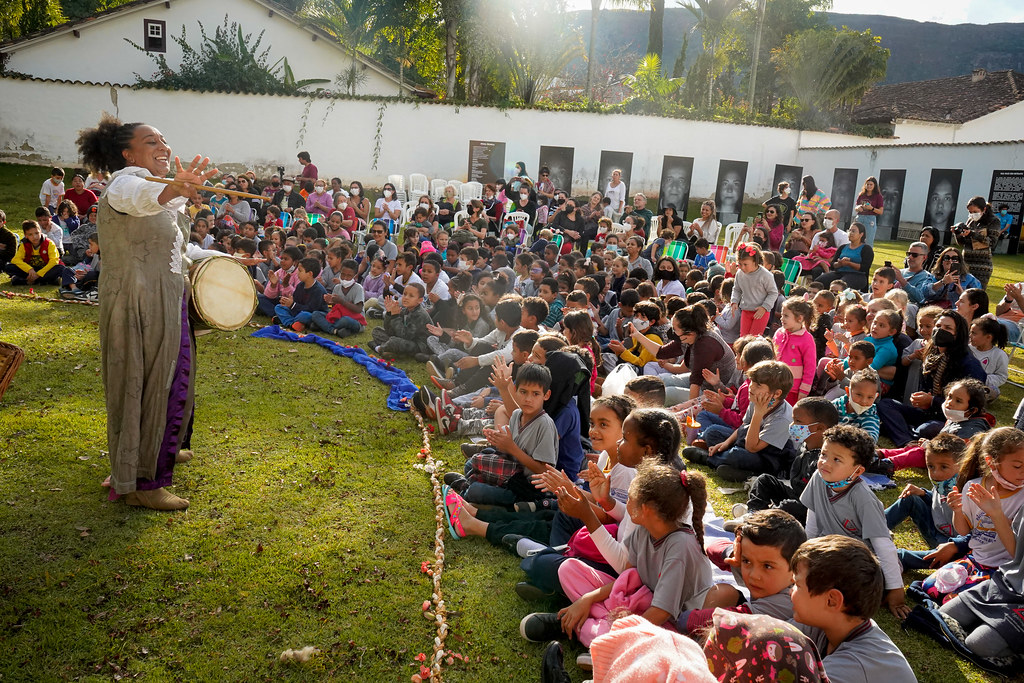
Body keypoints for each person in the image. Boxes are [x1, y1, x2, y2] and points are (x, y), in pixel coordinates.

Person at [76, 115, 218, 510]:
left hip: (165, 297)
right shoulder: (126, 183)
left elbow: (174, 248)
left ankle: (155, 452)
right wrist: (172, 188)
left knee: (164, 381)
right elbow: (137, 198)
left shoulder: (159, 190)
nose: (163, 147)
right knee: (143, 384)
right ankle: (141, 481)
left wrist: (227, 261)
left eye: (164, 139)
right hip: (139, 301)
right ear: (128, 154)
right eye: (151, 141)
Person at [519, 462, 712, 649]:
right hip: (638, 602)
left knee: (639, 639)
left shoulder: (680, 546)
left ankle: (589, 629)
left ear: (645, 508)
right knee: (568, 569)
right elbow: (627, 578)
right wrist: (587, 598)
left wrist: (623, 628)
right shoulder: (644, 530)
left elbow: (661, 613)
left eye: (629, 498)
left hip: (668, 624)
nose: (626, 503)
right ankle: (595, 625)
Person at [800, 425, 908, 617]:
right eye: (824, 454)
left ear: (857, 471)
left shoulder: (863, 498)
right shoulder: (818, 478)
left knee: (847, 585)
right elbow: (812, 525)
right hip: (830, 552)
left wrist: (896, 590)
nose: (825, 463)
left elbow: (883, 546)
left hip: (861, 562)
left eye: (837, 459)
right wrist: (803, 555)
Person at [790, 535, 917, 680]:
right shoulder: (831, 623)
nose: (790, 591)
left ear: (832, 601)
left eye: (797, 585)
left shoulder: (854, 666)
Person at [921, 427, 1024, 603]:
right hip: (974, 560)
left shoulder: (1021, 497)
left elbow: (1016, 552)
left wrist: (996, 514)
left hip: (1003, 571)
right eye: (1017, 466)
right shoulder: (973, 487)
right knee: (929, 587)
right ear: (991, 462)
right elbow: (963, 531)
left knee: (951, 600)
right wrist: (957, 510)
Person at [877, 310, 986, 446]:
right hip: (927, 413)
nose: (940, 331)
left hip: (951, 419)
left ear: (958, 334)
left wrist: (932, 401)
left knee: (927, 429)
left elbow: (969, 407)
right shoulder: (932, 355)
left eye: (948, 328)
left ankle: (901, 431)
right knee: (885, 404)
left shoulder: (968, 364)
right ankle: (907, 439)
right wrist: (922, 399)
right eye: (938, 326)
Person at [685, 360, 795, 482]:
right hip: (748, 441)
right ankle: (732, 466)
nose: (751, 386)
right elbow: (743, 427)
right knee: (713, 433)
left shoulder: (783, 418)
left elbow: (751, 448)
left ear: (777, 393)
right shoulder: (756, 398)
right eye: (752, 381)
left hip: (769, 458)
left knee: (737, 455)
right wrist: (726, 443)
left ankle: (709, 459)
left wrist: (758, 413)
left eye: (758, 385)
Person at [885, 432, 968, 570]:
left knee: (955, 559)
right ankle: (873, 527)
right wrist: (923, 494)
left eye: (944, 467)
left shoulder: (971, 491)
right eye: (930, 466)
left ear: (962, 465)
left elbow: (979, 535)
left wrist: (956, 545)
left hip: (953, 547)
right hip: (935, 531)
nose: (935, 473)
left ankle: (896, 558)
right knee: (911, 498)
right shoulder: (942, 483)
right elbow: (940, 503)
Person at [774, 297, 817, 404]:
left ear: (799, 318)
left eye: (786, 316)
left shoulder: (807, 339)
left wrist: (804, 389)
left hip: (792, 388)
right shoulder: (779, 333)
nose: (782, 318)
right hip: (774, 383)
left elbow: (810, 366)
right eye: (782, 315)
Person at [953, 195, 1001, 289]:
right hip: (966, 263)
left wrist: (972, 234)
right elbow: (962, 243)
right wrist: (957, 233)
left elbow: (991, 242)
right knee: (960, 291)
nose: (972, 214)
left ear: (984, 209)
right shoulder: (971, 220)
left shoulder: (994, 221)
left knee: (976, 293)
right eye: (970, 212)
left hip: (982, 266)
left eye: (975, 212)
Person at [730, 242, 777, 336]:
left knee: (754, 338)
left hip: (760, 312)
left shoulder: (766, 275)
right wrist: (734, 301)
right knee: (743, 337)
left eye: (745, 264)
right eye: (740, 264)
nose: (742, 267)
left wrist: (764, 307)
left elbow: (773, 293)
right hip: (746, 310)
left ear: (755, 261)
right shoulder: (740, 273)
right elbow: (737, 289)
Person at [271, 257, 327, 332]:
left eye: (300, 271)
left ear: (310, 274)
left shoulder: (318, 290)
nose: (297, 273)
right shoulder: (300, 285)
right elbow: (295, 303)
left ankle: (287, 321)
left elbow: (312, 309)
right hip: (298, 311)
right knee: (279, 307)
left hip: (311, 314)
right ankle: (292, 324)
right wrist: (288, 302)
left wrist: (292, 304)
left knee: (305, 315)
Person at [814, 222, 873, 291]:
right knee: (818, 283)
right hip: (839, 273)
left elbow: (865, 267)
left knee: (840, 286)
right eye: (849, 230)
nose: (850, 233)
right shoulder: (843, 247)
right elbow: (832, 265)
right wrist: (839, 264)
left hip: (857, 275)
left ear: (861, 234)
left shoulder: (866, 249)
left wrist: (849, 263)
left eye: (853, 231)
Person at [4, 219, 65, 286]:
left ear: (40, 232)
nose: (35, 237)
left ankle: (25, 281)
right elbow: (16, 260)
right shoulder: (24, 245)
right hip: (31, 270)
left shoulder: (49, 243)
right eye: (30, 234)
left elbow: (54, 261)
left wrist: (38, 274)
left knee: (60, 268)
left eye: (37, 233)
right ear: (26, 235)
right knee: (9, 267)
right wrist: (29, 269)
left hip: (45, 269)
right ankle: (47, 281)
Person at [854, 176, 884, 245]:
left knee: (868, 241)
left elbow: (881, 211)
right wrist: (858, 207)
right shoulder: (861, 195)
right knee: (855, 239)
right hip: (859, 217)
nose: (869, 186)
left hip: (870, 219)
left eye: (871, 184)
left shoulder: (878, 196)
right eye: (867, 184)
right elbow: (856, 207)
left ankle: (867, 252)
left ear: (874, 185)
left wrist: (872, 208)